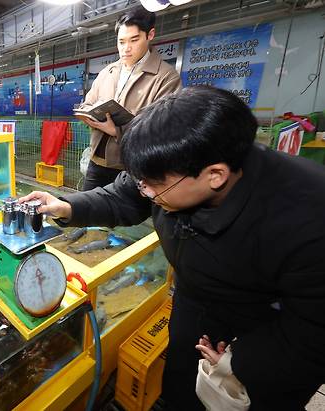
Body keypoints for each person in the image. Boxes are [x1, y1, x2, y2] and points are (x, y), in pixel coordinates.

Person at [21, 86, 325, 410]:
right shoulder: (170, 169)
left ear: (215, 175)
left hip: (263, 326)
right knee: (181, 385)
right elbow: (122, 195)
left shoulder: (307, 215)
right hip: (193, 299)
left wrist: (242, 360)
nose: (146, 192)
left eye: (154, 185)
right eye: (141, 180)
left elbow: (314, 329)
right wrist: (65, 207)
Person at [80, 7, 182, 190]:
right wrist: (89, 114)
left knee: (119, 215)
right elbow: (88, 102)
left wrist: (117, 131)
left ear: (150, 35)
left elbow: (163, 131)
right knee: (87, 211)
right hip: (97, 162)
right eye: (121, 42)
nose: (126, 49)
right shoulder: (107, 72)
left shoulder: (165, 77)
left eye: (134, 40)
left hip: (131, 167)